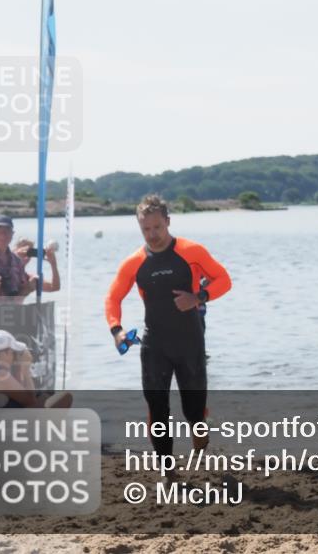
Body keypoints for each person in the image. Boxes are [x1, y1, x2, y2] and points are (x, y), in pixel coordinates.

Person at [105, 195, 232, 458]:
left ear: (168, 222)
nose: (152, 235)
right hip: (155, 345)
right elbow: (113, 298)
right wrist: (116, 330)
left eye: (157, 227)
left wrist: (198, 297)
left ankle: (199, 430)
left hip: (190, 342)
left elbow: (223, 279)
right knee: (157, 409)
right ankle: (168, 469)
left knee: (194, 411)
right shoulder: (134, 262)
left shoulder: (192, 252)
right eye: (145, 229)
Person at [0, 329, 72, 409]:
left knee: (45, 397)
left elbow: (18, 397)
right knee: (65, 398)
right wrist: (26, 370)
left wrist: (19, 369)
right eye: (13, 352)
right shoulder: (0, 375)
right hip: (4, 427)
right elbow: (31, 401)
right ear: (3, 353)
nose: (15, 355)